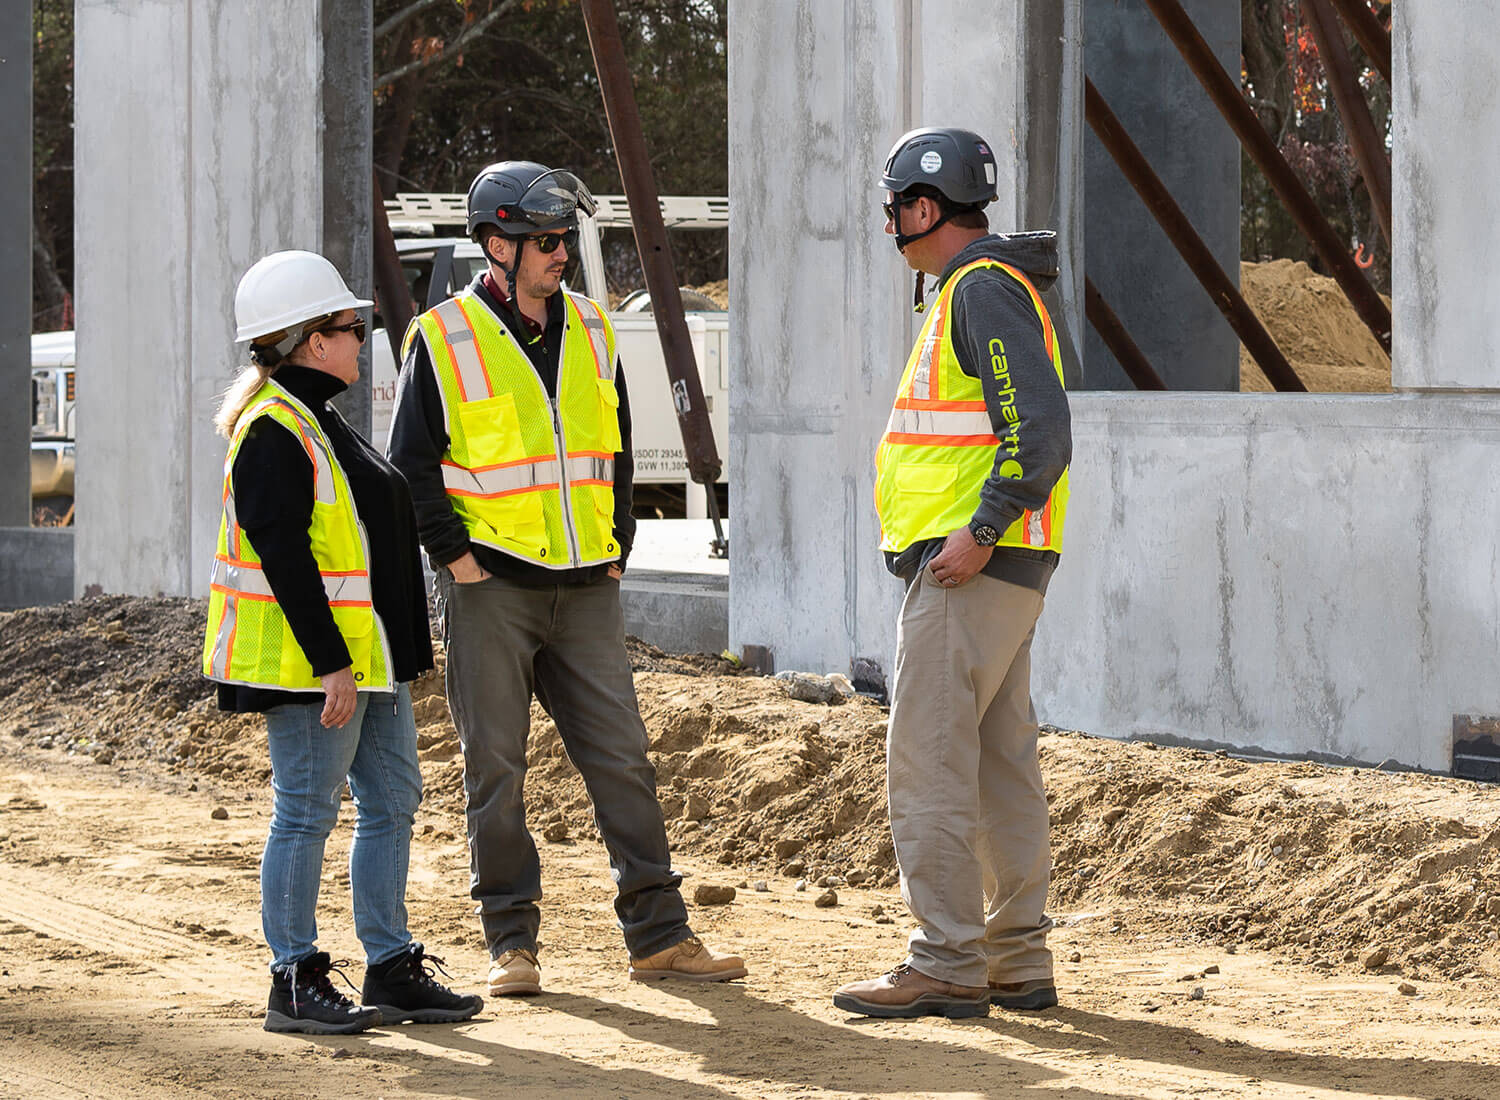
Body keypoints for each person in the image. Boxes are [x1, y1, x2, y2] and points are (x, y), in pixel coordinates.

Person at [387, 162, 746, 995]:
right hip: (491, 590)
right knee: (496, 768)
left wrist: (619, 537)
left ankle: (660, 935)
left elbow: (614, 445)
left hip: (587, 584)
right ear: (496, 244)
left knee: (624, 760)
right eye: (548, 241)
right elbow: (410, 466)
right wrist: (457, 558)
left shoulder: (590, 326)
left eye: (564, 240)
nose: (562, 256)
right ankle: (511, 940)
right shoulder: (442, 337)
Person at [205, 250, 483, 1034]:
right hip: (315, 667)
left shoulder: (317, 420)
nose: (363, 338)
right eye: (349, 327)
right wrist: (331, 663)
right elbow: (284, 556)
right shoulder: (271, 432)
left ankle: (390, 967)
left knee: (392, 801)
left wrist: (386, 658)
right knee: (305, 813)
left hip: (370, 662)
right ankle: (292, 978)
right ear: (309, 341)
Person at [833, 128, 1073, 1020]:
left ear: (924, 208)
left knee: (930, 764)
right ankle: (1015, 957)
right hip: (1004, 568)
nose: (891, 223)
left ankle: (944, 959)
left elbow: (1039, 433)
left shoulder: (978, 290)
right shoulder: (983, 291)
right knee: (999, 765)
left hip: (971, 570)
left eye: (896, 207)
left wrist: (975, 532)